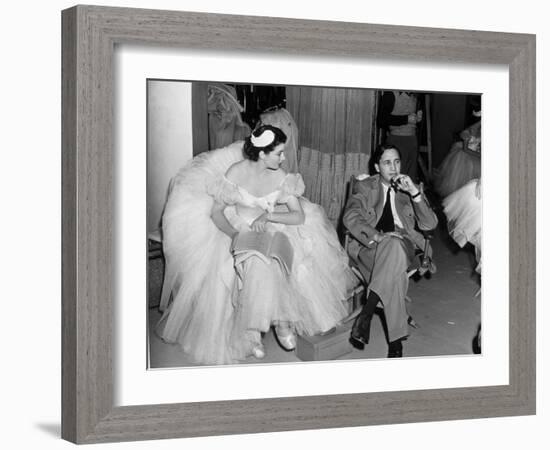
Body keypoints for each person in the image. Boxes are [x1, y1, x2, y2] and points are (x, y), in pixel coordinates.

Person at [156, 124, 356, 365]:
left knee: (278, 258)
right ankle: (251, 333)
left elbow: (298, 216)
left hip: (273, 224)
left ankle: (283, 321)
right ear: (262, 153)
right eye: (278, 153)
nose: (283, 158)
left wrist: (269, 216)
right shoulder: (235, 173)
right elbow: (217, 213)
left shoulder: (281, 177)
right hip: (235, 227)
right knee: (250, 264)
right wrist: (233, 235)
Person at [343, 143, 438, 357]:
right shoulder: (365, 186)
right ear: (377, 167)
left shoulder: (409, 188)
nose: (393, 167)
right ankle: (395, 342)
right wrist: (377, 235)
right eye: (387, 162)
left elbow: (430, 225)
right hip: (371, 246)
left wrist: (414, 193)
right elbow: (350, 217)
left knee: (395, 245)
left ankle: (366, 313)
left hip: (403, 244)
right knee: (394, 274)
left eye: (397, 161)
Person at [377, 91, 423, 182]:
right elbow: (381, 120)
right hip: (397, 140)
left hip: (412, 140)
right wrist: (406, 119)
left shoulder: (415, 96)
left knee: (410, 176)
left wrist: (418, 118)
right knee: (396, 176)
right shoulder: (391, 95)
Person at [433, 113, 481, 198]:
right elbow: (465, 149)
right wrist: (479, 155)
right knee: (461, 179)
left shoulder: (480, 130)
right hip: (465, 154)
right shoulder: (467, 132)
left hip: (474, 154)